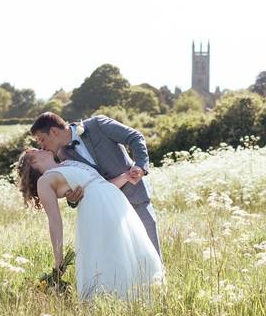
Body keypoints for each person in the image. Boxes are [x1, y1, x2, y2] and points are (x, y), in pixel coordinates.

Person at [17, 148, 165, 301]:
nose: (42, 148)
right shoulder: (45, 181)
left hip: (115, 201)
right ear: (32, 161)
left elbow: (99, 183)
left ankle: (141, 295)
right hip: (96, 209)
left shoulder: (68, 163)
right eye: (36, 150)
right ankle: (112, 299)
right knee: (109, 252)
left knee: (129, 246)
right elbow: (54, 220)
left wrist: (125, 177)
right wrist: (58, 260)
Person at [30, 112, 161, 256]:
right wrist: (73, 200)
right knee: (124, 254)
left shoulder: (98, 124)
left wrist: (141, 166)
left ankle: (158, 278)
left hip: (134, 193)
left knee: (151, 245)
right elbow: (83, 183)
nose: (42, 146)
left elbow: (135, 137)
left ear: (53, 131)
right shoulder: (62, 155)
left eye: (42, 139)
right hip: (106, 208)